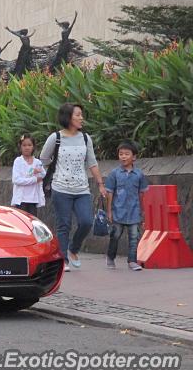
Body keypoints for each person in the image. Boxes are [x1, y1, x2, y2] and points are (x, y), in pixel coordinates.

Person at [40, 103, 107, 272]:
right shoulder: (55, 137)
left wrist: (100, 184)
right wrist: (56, 169)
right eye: (78, 115)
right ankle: (64, 260)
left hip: (82, 188)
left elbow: (92, 163)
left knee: (86, 221)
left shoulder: (85, 138)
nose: (81, 118)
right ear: (68, 117)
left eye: (81, 115)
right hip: (60, 188)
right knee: (64, 225)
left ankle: (74, 248)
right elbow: (44, 159)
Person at [105, 141, 149, 271]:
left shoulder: (139, 175)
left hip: (134, 212)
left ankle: (132, 261)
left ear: (134, 157)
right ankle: (110, 257)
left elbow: (142, 195)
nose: (123, 157)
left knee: (134, 238)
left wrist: (143, 212)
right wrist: (109, 211)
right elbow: (110, 193)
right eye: (121, 154)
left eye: (126, 154)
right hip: (118, 211)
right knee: (115, 236)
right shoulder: (114, 174)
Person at [11, 134, 45, 216]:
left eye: (29, 145)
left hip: (33, 199)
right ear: (20, 147)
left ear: (33, 147)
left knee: (32, 223)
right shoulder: (18, 161)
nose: (27, 147)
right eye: (24, 145)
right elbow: (16, 180)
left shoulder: (37, 162)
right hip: (21, 199)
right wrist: (34, 179)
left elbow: (43, 174)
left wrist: (38, 173)